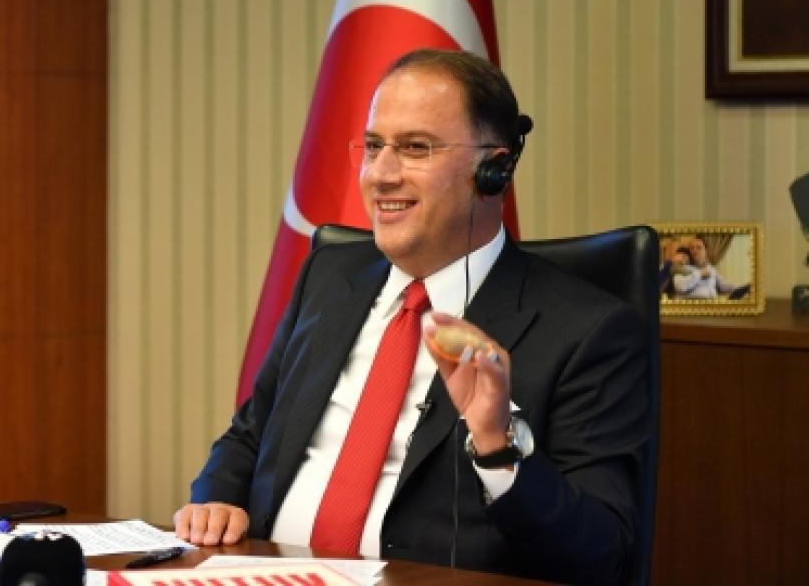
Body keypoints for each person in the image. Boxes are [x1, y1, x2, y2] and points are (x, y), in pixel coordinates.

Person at [174, 49, 650, 585]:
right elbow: (250, 434)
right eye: (374, 146)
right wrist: (215, 499)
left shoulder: (589, 331)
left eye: (414, 148)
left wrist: (499, 446)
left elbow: (602, 555)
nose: (380, 175)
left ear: (492, 171)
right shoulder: (328, 277)